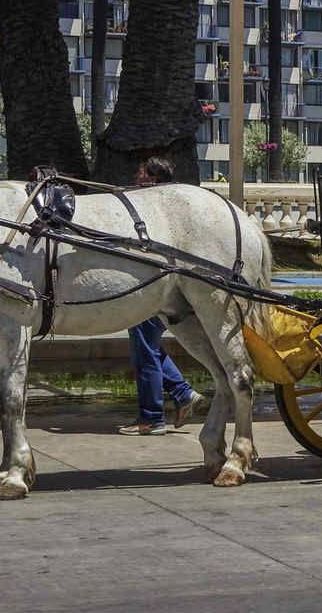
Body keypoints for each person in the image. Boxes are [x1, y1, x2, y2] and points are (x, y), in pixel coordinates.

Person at [120, 154, 201, 436]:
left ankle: (152, 418)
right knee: (149, 348)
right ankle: (182, 393)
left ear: (152, 180)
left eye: (141, 173)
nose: (136, 178)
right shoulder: (164, 210)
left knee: (144, 352)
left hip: (152, 289)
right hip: (158, 287)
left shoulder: (151, 211)